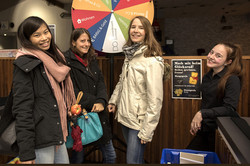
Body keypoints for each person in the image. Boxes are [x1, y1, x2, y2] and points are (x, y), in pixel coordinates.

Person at [12, 16, 76, 164]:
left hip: (57, 134)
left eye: (46, 32)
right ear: (28, 39)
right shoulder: (25, 64)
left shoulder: (55, 58)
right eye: (37, 35)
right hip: (40, 138)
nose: (45, 38)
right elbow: (22, 110)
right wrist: (27, 153)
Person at [107, 16, 165, 164]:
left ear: (147, 32)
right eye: (133, 27)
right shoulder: (130, 55)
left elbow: (156, 99)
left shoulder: (152, 60)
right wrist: (113, 101)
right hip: (126, 116)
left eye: (141, 27)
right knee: (134, 160)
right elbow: (122, 81)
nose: (136, 30)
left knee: (132, 161)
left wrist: (147, 131)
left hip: (139, 122)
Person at [64, 28, 116, 164]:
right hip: (80, 116)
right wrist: (94, 102)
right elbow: (71, 91)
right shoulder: (65, 61)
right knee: (78, 158)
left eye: (88, 41)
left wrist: (101, 101)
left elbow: (100, 83)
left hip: (99, 114)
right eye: (82, 41)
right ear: (73, 42)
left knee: (111, 156)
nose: (86, 44)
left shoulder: (91, 58)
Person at [187, 43, 244, 152]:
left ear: (228, 62)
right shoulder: (207, 76)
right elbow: (208, 103)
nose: (211, 57)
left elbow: (229, 108)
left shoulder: (232, 79)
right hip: (205, 129)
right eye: (211, 52)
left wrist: (201, 113)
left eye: (218, 56)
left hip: (221, 133)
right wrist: (198, 123)